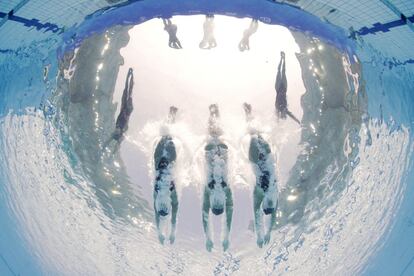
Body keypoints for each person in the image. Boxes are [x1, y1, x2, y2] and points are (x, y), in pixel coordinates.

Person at [243, 103, 278, 248]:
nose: (269, 203)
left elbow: (258, 218)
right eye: (271, 204)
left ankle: (248, 113)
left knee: (253, 135)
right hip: (267, 159)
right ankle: (250, 114)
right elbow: (273, 217)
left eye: (267, 204)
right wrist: (268, 233)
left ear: (264, 204)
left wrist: (261, 236)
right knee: (258, 135)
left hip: (256, 162)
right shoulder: (275, 197)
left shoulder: (258, 198)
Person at [202, 104, 233, 252]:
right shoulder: (224, 194)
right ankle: (214, 111)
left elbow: (206, 218)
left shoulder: (221, 194)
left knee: (215, 133)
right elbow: (227, 219)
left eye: (216, 204)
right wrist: (224, 238)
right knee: (216, 133)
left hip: (216, 154)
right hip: (218, 154)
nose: (218, 202)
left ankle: (213, 112)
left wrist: (209, 239)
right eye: (220, 204)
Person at [153, 106, 179, 245]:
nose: (163, 205)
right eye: (165, 207)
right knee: (168, 137)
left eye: (160, 207)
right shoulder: (173, 197)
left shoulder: (156, 196)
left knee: (165, 136)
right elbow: (174, 217)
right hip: (170, 161)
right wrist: (171, 234)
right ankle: (172, 115)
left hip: (158, 161)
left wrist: (160, 234)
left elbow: (159, 217)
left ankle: (171, 114)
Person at [275, 52, 301, 125]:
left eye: (283, 115)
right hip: (284, 87)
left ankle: (281, 58)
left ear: (281, 114)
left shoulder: (277, 110)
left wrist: (277, 122)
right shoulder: (286, 110)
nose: (284, 113)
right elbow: (292, 116)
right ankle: (284, 58)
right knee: (283, 72)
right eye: (284, 115)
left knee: (278, 71)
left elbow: (276, 119)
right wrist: (298, 122)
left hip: (277, 88)